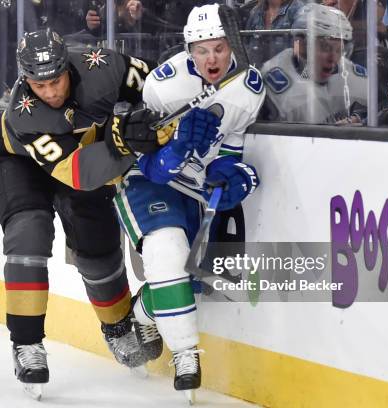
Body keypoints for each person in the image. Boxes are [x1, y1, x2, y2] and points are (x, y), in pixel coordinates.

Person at [0, 28, 219, 399]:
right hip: (23, 166)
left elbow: (163, 84)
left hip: (91, 158)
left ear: (68, 66)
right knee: (28, 232)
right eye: (38, 84)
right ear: (24, 79)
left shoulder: (107, 66)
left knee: (97, 245)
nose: (49, 92)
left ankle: (117, 326)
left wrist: (156, 122)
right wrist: (128, 140)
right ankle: (26, 343)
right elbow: (80, 174)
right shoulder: (23, 114)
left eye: (55, 80)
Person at [113, 4, 264, 402]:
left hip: (194, 191)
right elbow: (147, 159)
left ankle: (144, 312)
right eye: (201, 50)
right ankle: (186, 356)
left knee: (184, 277)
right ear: (188, 49)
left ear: (232, 44)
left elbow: (230, 150)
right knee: (165, 250)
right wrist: (177, 146)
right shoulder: (163, 86)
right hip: (147, 181)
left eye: (219, 48)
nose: (211, 58)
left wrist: (231, 175)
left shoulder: (250, 88)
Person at [260, 3, 368, 124]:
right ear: (300, 44)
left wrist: (359, 117)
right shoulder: (274, 80)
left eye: (339, 50)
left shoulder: (353, 74)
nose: (333, 58)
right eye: (325, 47)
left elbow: (380, 110)